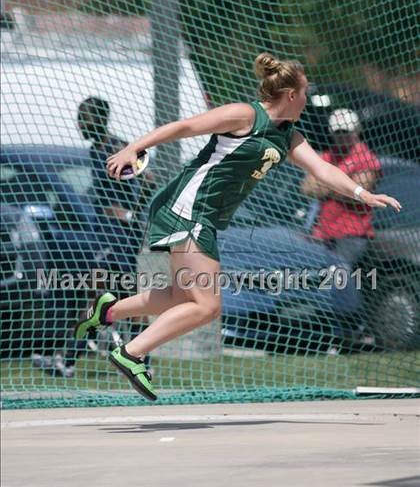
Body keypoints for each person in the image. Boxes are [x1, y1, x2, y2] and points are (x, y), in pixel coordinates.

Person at [73, 54, 401, 401]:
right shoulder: (246, 115)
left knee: (185, 296)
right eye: (304, 92)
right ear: (290, 94)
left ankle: (107, 310)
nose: (307, 100)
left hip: (204, 217)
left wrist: (363, 193)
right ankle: (132, 352)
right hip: (186, 208)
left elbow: (322, 170)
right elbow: (183, 127)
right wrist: (133, 148)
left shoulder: (287, 135)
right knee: (207, 306)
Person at [32, 97, 154, 377]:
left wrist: (130, 214)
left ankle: (69, 360)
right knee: (115, 295)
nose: (80, 123)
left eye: (85, 117)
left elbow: (150, 180)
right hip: (104, 234)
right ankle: (135, 360)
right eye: (79, 116)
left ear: (100, 119)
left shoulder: (114, 147)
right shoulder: (95, 149)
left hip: (118, 234)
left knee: (102, 293)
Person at [301, 108, 382, 268]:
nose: (341, 136)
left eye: (346, 131)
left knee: (339, 281)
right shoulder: (328, 155)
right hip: (322, 232)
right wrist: (340, 186)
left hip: (350, 236)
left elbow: (357, 192)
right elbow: (307, 188)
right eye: (338, 132)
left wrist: (325, 185)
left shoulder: (366, 158)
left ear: (357, 130)